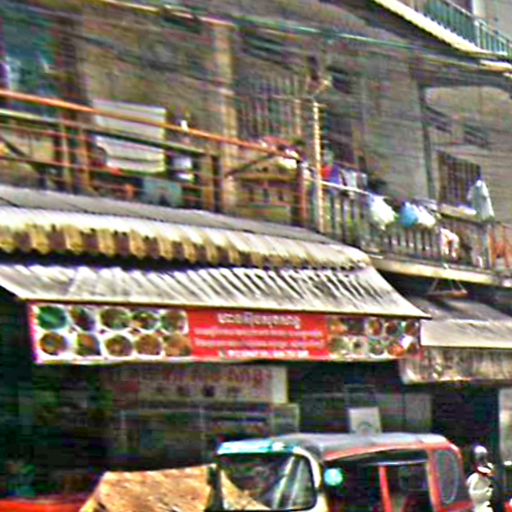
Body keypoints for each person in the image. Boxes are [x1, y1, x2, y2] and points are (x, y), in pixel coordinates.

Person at [467, 445, 501, 512]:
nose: (485, 461)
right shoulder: (472, 477)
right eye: (481, 459)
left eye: (485, 458)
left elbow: (496, 495)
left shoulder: (491, 473)